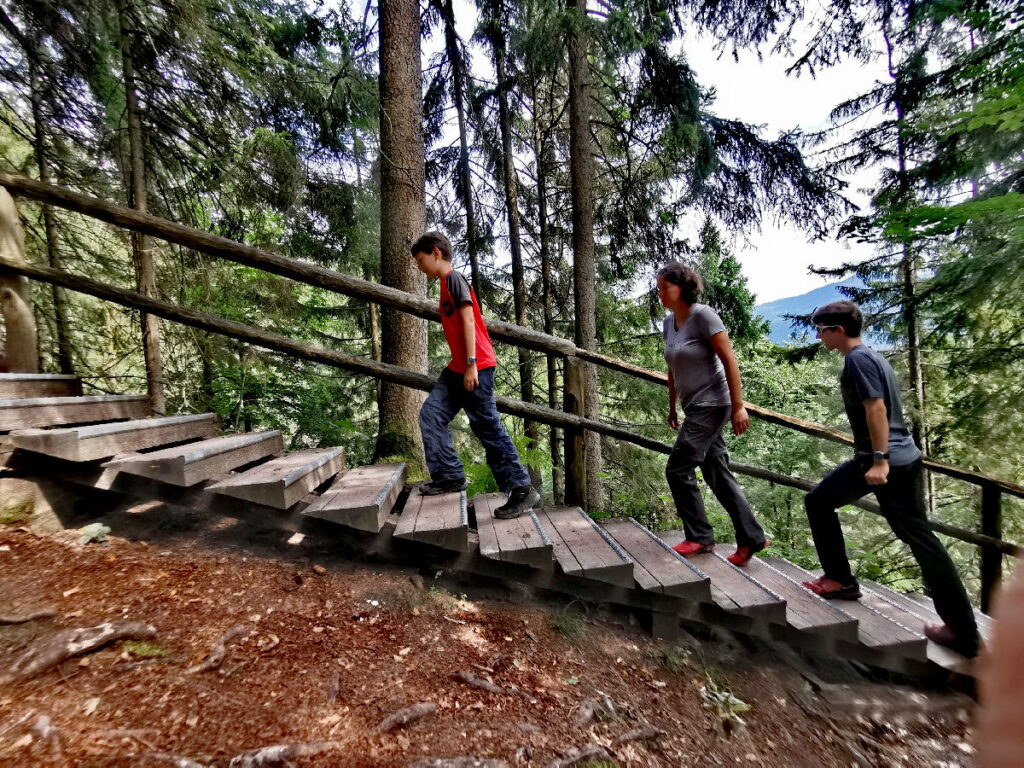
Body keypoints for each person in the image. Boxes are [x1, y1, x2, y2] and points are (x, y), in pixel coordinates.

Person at [801, 300, 981, 657]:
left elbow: (876, 408)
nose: (819, 336)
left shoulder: (858, 360)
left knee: (820, 502)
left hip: (886, 460)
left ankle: (963, 633)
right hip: (903, 456)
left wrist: (879, 460)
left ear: (837, 330)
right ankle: (962, 629)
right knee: (917, 535)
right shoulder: (872, 355)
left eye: (820, 330)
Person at [411, 231, 541, 519]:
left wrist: (471, 363)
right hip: (457, 367)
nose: (420, 267)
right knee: (432, 415)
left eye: (420, 260)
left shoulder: (455, 279)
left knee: (487, 426)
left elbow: (469, 318)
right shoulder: (444, 284)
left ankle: (521, 489)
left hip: (476, 365)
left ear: (435, 252)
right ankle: (449, 477)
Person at [657, 262, 769, 566]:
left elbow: (729, 359)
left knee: (678, 469)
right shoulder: (669, 323)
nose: (660, 292)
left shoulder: (703, 315)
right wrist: (672, 406)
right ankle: (752, 538)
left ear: (683, 288)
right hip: (693, 406)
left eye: (665, 287)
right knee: (717, 472)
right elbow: (672, 368)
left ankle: (700, 537)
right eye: (658, 287)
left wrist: (739, 405)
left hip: (713, 403)